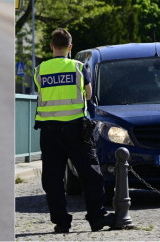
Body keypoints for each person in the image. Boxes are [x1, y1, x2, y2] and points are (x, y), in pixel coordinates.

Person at [34, 28, 115, 233]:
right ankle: (97, 217)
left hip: (49, 130)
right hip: (75, 129)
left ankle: (61, 222)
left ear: (51, 46)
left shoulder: (40, 70)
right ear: (70, 47)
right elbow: (88, 95)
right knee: (90, 173)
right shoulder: (78, 68)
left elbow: (40, 91)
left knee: (53, 178)